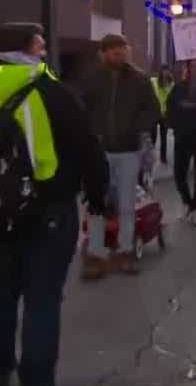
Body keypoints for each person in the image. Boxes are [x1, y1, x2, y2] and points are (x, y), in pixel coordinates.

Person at [0, 23, 108, 386]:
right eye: (42, 46)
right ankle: (36, 378)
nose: (46, 51)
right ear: (29, 49)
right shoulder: (53, 92)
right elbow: (88, 148)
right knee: (42, 301)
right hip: (49, 210)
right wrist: (97, 195)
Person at [78, 34, 159, 278]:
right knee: (96, 204)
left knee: (126, 204)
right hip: (98, 153)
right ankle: (95, 254)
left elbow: (153, 109)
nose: (119, 53)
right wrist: (90, 136)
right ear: (103, 53)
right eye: (113, 50)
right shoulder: (90, 79)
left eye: (122, 49)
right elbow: (80, 110)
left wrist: (138, 129)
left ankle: (125, 251)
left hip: (128, 151)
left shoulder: (140, 80)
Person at [166, 56, 196, 225]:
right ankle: (187, 202)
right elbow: (170, 108)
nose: (194, 69)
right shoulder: (178, 88)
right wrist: (173, 124)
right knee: (179, 173)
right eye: (191, 66)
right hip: (182, 136)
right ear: (187, 69)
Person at [150, 65, 174, 165]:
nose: (165, 73)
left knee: (163, 137)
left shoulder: (171, 84)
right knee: (153, 137)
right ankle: (150, 157)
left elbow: (171, 99)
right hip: (154, 113)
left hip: (165, 114)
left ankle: (163, 158)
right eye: (164, 71)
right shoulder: (153, 81)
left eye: (167, 71)